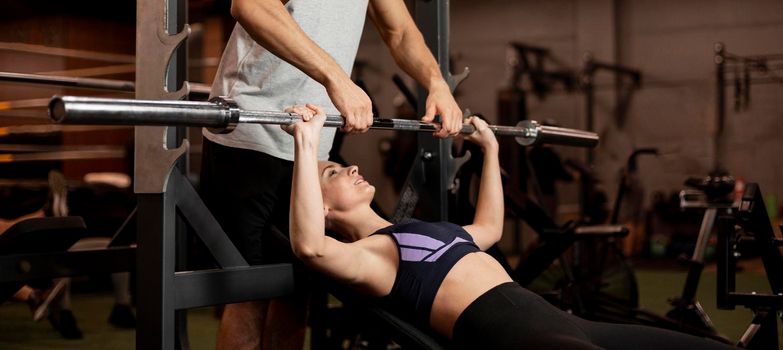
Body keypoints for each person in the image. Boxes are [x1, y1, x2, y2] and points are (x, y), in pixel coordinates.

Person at [282, 104, 737, 349]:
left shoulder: (422, 230)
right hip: (520, 337)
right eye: (333, 173)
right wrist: (306, 145)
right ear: (321, 208)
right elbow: (310, 249)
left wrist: (491, 150)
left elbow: (489, 228)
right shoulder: (373, 257)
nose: (351, 168)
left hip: (568, 324)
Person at [201, 0, 463, 349]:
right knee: (252, 295)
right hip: (251, 133)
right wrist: (336, 77)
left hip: (311, 141)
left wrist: (437, 83)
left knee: (297, 292)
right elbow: (250, 6)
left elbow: (398, 31)